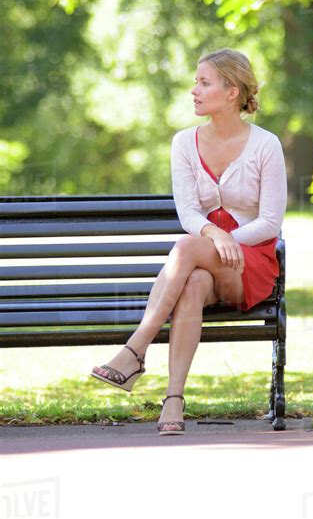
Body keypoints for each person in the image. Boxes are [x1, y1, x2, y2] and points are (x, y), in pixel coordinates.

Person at [90, 48, 287, 435]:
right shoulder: (184, 143)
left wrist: (227, 240)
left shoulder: (266, 145)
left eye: (204, 82)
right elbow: (189, 214)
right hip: (205, 260)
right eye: (196, 82)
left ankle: (135, 349)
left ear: (232, 92)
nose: (193, 90)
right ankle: (173, 401)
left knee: (183, 247)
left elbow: (270, 222)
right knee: (193, 281)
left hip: (250, 264)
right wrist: (214, 235)